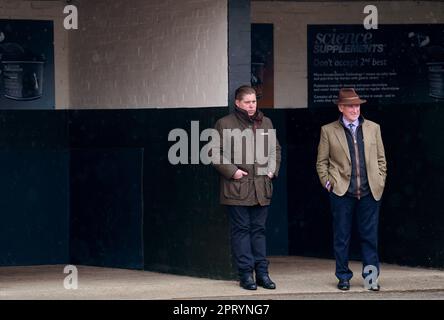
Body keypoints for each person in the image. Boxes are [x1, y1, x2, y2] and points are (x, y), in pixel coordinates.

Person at [316, 88, 387, 291]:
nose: (355, 109)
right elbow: (321, 162)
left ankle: (371, 279)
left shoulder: (374, 128)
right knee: (342, 236)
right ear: (341, 108)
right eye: (350, 106)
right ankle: (343, 277)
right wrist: (328, 183)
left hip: (370, 191)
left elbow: (381, 159)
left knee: (370, 237)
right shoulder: (328, 130)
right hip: (341, 192)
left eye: (357, 105)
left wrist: (380, 180)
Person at [211, 85, 281, 290]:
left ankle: (262, 274)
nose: (252, 106)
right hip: (236, 187)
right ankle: (245, 275)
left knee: (259, 231)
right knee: (241, 231)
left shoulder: (265, 122)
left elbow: (275, 149)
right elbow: (215, 153)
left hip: (262, 186)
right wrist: (233, 171)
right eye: (248, 102)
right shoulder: (224, 123)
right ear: (237, 103)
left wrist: (271, 170)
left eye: (254, 102)